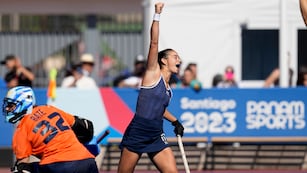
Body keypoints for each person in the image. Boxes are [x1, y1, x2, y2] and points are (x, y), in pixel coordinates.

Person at [117, 2, 184, 173]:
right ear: (163, 60)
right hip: (138, 131)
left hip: (156, 132)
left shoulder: (169, 89)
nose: (179, 60)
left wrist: (175, 121)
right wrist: (157, 14)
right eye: (175, 57)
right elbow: (154, 43)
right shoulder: (153, 73)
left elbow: (159, 109)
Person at [3, 86, 99, 173]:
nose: (7, 109)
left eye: (11, 106)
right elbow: (85, 126)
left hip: (59, 166)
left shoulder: (21, 129)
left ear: (25, 104)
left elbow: (23, 166)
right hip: (88, 161)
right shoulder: (48, 109)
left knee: (21, 168)